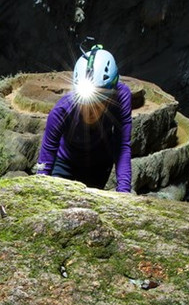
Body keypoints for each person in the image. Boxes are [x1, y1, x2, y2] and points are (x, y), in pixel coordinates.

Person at [35, 44, 133, 193]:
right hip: (65, 161)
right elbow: (46, 159)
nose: (89, 108)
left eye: (97, 101)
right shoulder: (62, 110)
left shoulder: (120, 97)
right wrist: (39, 192)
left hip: (99, 163)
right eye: (84, 101)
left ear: (110, 97)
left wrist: (124, 192)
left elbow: (122, 146)